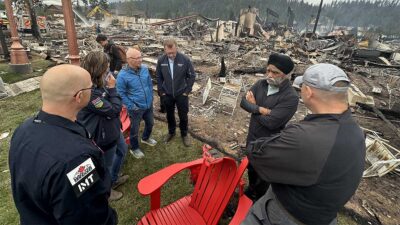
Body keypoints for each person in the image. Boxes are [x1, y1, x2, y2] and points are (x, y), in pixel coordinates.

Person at [241, 64, 366, 225]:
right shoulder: (356, 132)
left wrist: (255, 109)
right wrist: (261, 110)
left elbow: (255, 152)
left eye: (302, 86)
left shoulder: (305, 135)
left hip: (284, 216)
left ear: (308, 92)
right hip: (323, 216)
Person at [9, 65, 117, 225]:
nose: (92, 89)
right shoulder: (77, 160)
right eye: (90, 87)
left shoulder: (23, 130)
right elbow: (91, 216)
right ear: (79, 96)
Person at [240, 53, 299, 201]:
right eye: (268, 70)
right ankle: (251, 190)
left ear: (286, 75)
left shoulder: (290, 97)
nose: (270, 75)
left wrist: (253, 107)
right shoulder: (261, 84)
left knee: (263, 176)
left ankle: (258, 200)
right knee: (251, 169)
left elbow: (272, 122)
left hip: (268, 144)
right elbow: (243, 102)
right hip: (252, 138)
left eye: (275, 72)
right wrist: (260, 110)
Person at [77, 51, 128, 201]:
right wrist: (113, 89)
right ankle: (106, 191)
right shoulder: (89, 92)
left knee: (122, 150)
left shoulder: (100, 81)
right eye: (106, 65)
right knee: (105, 165)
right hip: (102, 136)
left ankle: (113, 178)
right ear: (98, 67)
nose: (108, 68)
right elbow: (114, 110)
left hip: (112, 129)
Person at [116, 48, 156, 158]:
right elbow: (121, 94)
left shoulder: (144, 69)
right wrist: (132, 106)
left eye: (140, 57)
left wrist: (151, 97)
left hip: (148, 104)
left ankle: (145, 138)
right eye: (137, 58)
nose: (140, 60)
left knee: (150, 123)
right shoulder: (122, 76)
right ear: (129, 59)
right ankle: (134, 148)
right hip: (135, 108)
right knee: (134, 129)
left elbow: (149, 84)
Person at [156, 39, 196, 147]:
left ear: (176, 48)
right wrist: (161, 91)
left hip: (181, 94)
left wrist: (187, 91)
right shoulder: (161, 61)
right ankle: (171, 132)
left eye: (173, 52)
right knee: (169, 115)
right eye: (169, 53)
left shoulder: (185, 60)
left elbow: (192, 76)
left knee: (183, 116)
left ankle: (184, 134)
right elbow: (159, 76)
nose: (171, 55)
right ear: (165, 50)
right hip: (167, 94)